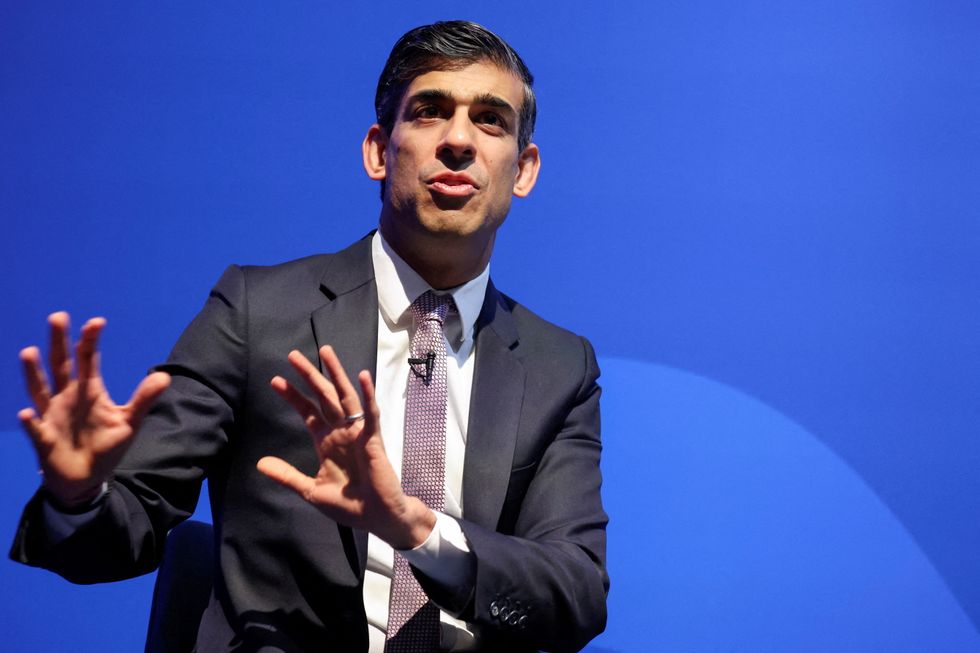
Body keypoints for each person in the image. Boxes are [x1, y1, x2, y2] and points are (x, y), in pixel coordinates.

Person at [10, 20, 608, 653]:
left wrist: (418, 530)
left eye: (491, 121)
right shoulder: (256, 312)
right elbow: (125, 527)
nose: (458, 140)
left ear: (525, 169)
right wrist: (77, 496)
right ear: (379, 151)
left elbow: (576, 594)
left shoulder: (557, 366)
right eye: (430, 112)